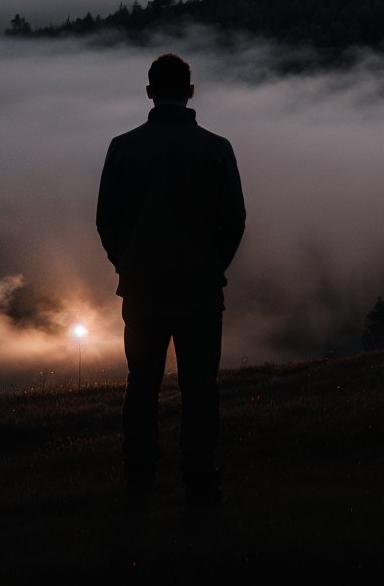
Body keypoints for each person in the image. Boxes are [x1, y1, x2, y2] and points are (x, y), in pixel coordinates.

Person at [96, 51, 246, 504]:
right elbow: (234, 221)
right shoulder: (217, 149)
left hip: (142, 290)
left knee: (141, 384)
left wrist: (125, 263)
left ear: (149, 92)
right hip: (200, 291)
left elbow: (106, 219)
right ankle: (200, 477)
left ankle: (139, 475)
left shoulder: (123, 147)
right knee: (200, 387)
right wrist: (212, 265)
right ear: (191, 92)